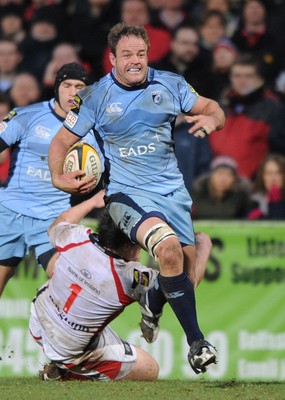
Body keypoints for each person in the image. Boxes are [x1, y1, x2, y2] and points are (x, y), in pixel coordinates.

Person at [48, 23, 225, 374]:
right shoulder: (95, 97)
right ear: (112, 58)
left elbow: (213, 107)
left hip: (172, 191)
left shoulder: (171, 84)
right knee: (167, 248)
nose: (135, 61)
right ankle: (198, 343)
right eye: (127, 55)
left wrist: (211, 121)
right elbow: (60, 143)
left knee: (185, 280)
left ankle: (152, 298)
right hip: (126, 194)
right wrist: (58, 177)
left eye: (140, 54)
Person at [30, 193, 213, 382]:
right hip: (68, 348)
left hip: (38, 322)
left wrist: (92, 202)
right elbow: (182, 284)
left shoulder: (77, 236)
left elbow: (57, 225)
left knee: (58, 265)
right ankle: (66, 372)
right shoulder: (131, 277)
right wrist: (204, 247)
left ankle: (65, 361)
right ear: (133, 241)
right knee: (149, 369)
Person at [0, 62, 101, 297]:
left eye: (79, 86)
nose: (73, 92)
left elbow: (101, 174)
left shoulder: (93, 131)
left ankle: (58, 331)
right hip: (9, 212)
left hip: (51, 219)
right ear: (57, 88)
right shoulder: (27, 116)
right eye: (67, 85)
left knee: (69, 283)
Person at [208, 53, 285, 180]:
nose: (242, 81)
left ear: (259, 78)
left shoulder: (273, 108)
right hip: (218, 183)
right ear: (230, 77)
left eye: (248, 76)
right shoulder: (220, 107)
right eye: (237, 76)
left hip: (253, 184)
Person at [191, 155, 251, 220]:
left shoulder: (242, 198)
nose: (223, 179)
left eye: (228, 174)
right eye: (220, 173)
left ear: (234, 179)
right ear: (211, 176)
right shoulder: (198, 193)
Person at [247, 153, 285, 220]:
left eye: (278, 173)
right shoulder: (253, 201)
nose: (273, 178)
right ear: (262, 176)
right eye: (269, 173)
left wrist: (277, 203)